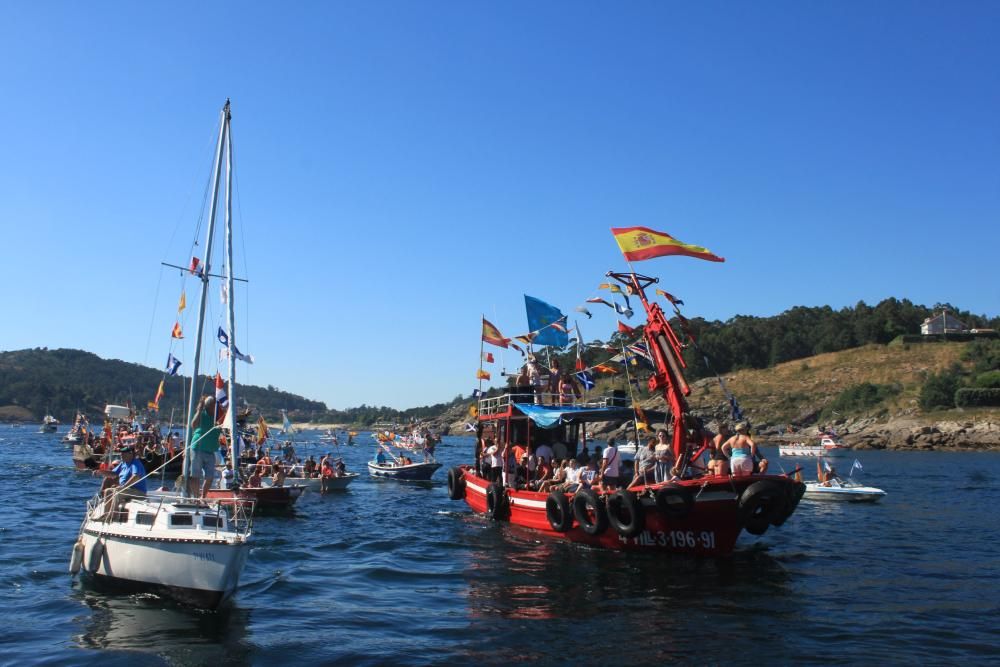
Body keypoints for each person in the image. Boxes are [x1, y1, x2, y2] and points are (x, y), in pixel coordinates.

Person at [186, 395, 221, 498]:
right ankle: (196, 498)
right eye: (215, 404)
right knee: (195, 475)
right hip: (197, 448)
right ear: (210, 405)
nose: (217, 406)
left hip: (210, 451)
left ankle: (203, 497)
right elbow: (193, 425)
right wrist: (199, 410)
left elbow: (232, 418)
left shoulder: (218, 417)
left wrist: (244, 416)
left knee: (210, 476)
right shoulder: (202, 414)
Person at [101, 445, 147, 514]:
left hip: (138, 492)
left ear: (131, 454)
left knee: (117, 492)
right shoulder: (123, 463)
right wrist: (101, 472)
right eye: (121, 453)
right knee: (108, 491)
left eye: (124, 453)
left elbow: (136, 476)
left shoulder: (135, 463)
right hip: (127, 490)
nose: (121, 455)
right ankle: (105, 514)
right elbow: (113, 473)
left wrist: (124, 486)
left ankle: (113, 515)